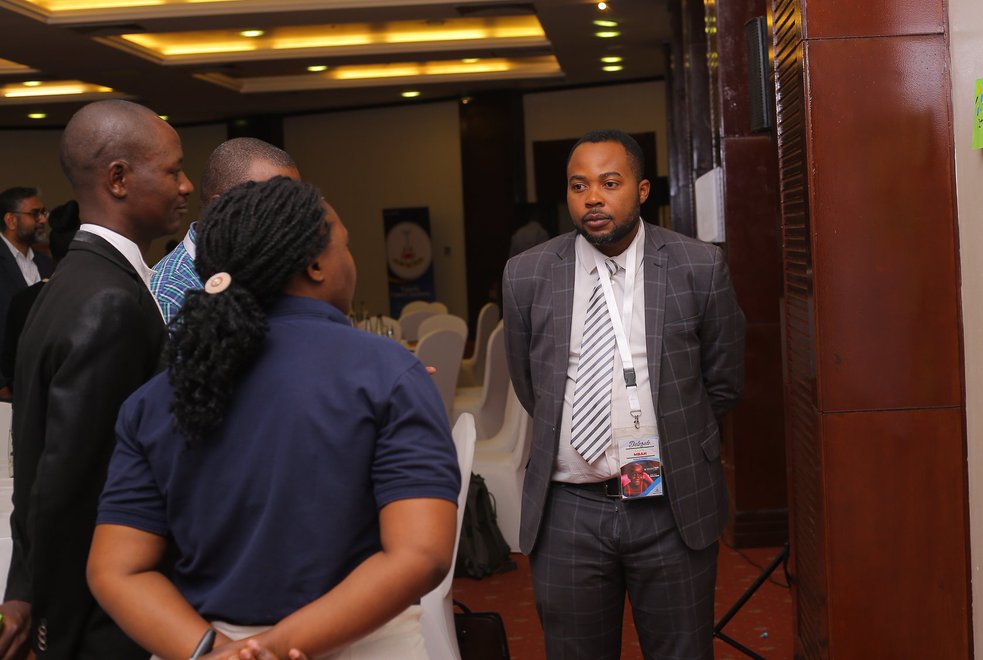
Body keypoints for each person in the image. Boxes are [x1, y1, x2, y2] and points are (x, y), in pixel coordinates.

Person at [88, 176, 460, 660]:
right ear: (316, 264)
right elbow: (421, 553)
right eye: (345, 246)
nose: (351, 260)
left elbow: (116, 571)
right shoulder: (386, 372)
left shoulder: (156, 397)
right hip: (360, 645)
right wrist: (273, 648)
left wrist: (216, 650)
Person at [502, 129, 746, 658]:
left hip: (669, 504)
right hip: (569, 508)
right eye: (578, 185)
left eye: (610, 183)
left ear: (641, 190)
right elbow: (530, 385)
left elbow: (722, 381)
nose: (592, 198)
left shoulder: (697, 266)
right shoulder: (527, 274)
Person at [1, 99, 193, 659]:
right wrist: (52, 628)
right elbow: (70, 487)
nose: (185, 186)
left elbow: (35, 461)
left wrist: (24, 591)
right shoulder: (109, 301)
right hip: (100, 620)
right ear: (118, 179)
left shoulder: (70, 283)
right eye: (173, 169)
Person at [152, 137, 300, 323]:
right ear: (221, 207)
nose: (292, 220)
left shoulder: (267, 272)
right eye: (275, 206)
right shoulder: (173, 295)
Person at [0, 201, 81, 400]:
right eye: (34, 213)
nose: (41, 219)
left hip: (30, 402)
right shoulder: (98, 297)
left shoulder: (26, 297)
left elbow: (11, 365)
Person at [0, 187, 55, 399]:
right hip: (8, 386)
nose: (42, 220)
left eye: (44, 212)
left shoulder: (46, 263)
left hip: (41, 385)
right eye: (34, 214)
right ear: (11, 221)